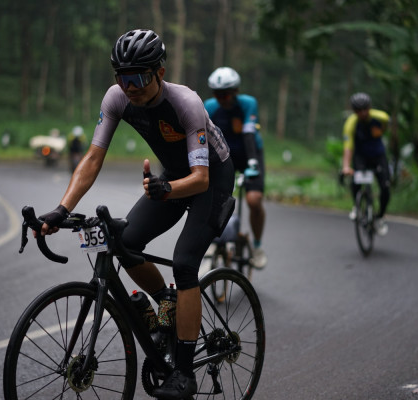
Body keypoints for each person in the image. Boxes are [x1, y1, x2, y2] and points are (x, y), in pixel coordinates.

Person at [36, 29, 234, 399]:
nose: (130, 88)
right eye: (122, 78)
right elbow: (92, 158)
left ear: (160, 73)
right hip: (172, 178)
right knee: (125, 242)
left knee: (185, 264)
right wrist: (63, 209)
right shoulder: (117, 98)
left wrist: (167, 189)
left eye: (139, 78)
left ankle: (184, 374)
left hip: (212, 180)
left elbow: (201, 178)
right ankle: (165, 302)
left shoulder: (186, 102)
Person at [204, 67, 267, 268]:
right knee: (213, 198)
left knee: (254, 200)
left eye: (226, 94)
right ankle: (211, 240)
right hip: (225, 156)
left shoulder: (248, 103)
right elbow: (205, 138)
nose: (221, 99)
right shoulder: (210, 106)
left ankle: (257, 246)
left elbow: (248, 134)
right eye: (217, 94)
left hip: (250, 155)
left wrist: (252, 163)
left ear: (236, 91)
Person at [342, 92, 391, 235]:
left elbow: (386, 127)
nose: (363, 113)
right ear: (354, 111)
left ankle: (380, 216)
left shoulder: (381, 117)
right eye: (359, 110)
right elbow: (348, 147)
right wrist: (346, 166)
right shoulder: (351, 124)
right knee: (355, 179)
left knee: (385, 186)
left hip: (378, 155)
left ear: (369, 107)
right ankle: (357, 207)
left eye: (365, 109)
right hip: (361, 156)